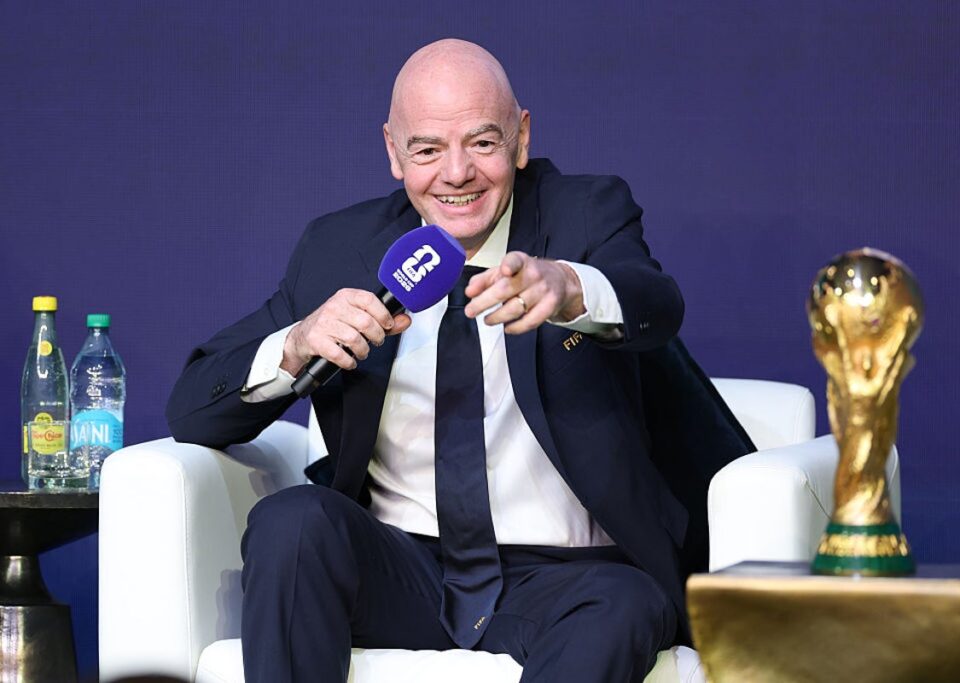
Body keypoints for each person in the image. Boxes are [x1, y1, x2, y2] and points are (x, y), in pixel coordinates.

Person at [166, 38, 749, 683]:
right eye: (426, 150)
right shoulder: (341, 248)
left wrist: (570, 286)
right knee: (292, 521)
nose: (456, 173)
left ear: (521, 138)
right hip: (404, 571)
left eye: (482, 142)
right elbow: (194, 409)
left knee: (626, 604)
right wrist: (297, 341)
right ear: (393, 152)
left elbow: (653, 302)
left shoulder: (584, 213)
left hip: (564, 579)